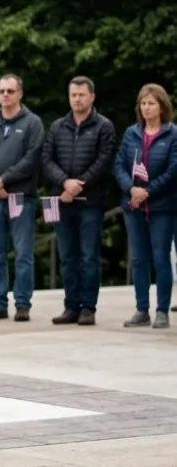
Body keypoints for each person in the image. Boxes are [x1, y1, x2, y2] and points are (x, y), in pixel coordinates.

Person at [42, 76, 117, 326]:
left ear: (92, 97)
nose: (77, 99)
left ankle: (88, 308)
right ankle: (70, 306)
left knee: (89, 256)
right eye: (73, 94)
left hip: (90, 202)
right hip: (62, 200)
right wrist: (65, 182)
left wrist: (79, 184)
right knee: (67, 257)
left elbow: (104, 161)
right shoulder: (57, 127)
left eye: (81, 95)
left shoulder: (104, 126)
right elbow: (47, 159)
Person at [0, 74, 45, 321]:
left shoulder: (33, 123)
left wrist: (3, 180)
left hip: (20, 197)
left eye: (10, 91)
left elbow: (32, 158)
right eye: (2, 91)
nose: (5, 95)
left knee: (23, 254)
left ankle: (23, 303)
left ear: (20, 94)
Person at [115, 84, 177, 328]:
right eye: (143, 103)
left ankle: (162, 310)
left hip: (163, 205)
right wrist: (132, 190)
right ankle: (142, 309)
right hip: (134, 204)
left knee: (161, 258)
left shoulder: (172, 134)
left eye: (151, 103)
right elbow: (119, 164)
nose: (147, 107)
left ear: (162, 106)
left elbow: (174, 169)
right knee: (139, 260)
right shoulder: (131, 133)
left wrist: (149, 191)